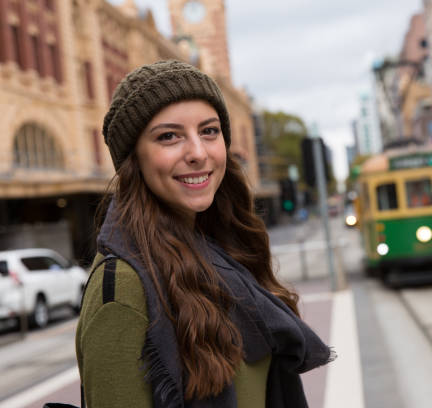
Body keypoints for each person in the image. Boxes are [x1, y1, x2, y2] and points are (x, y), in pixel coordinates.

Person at [76, 60, 333, 408]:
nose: (198, 153)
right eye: (169, 136)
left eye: (209, 131)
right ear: (133, 158)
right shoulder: (120, 288)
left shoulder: (222, 253)